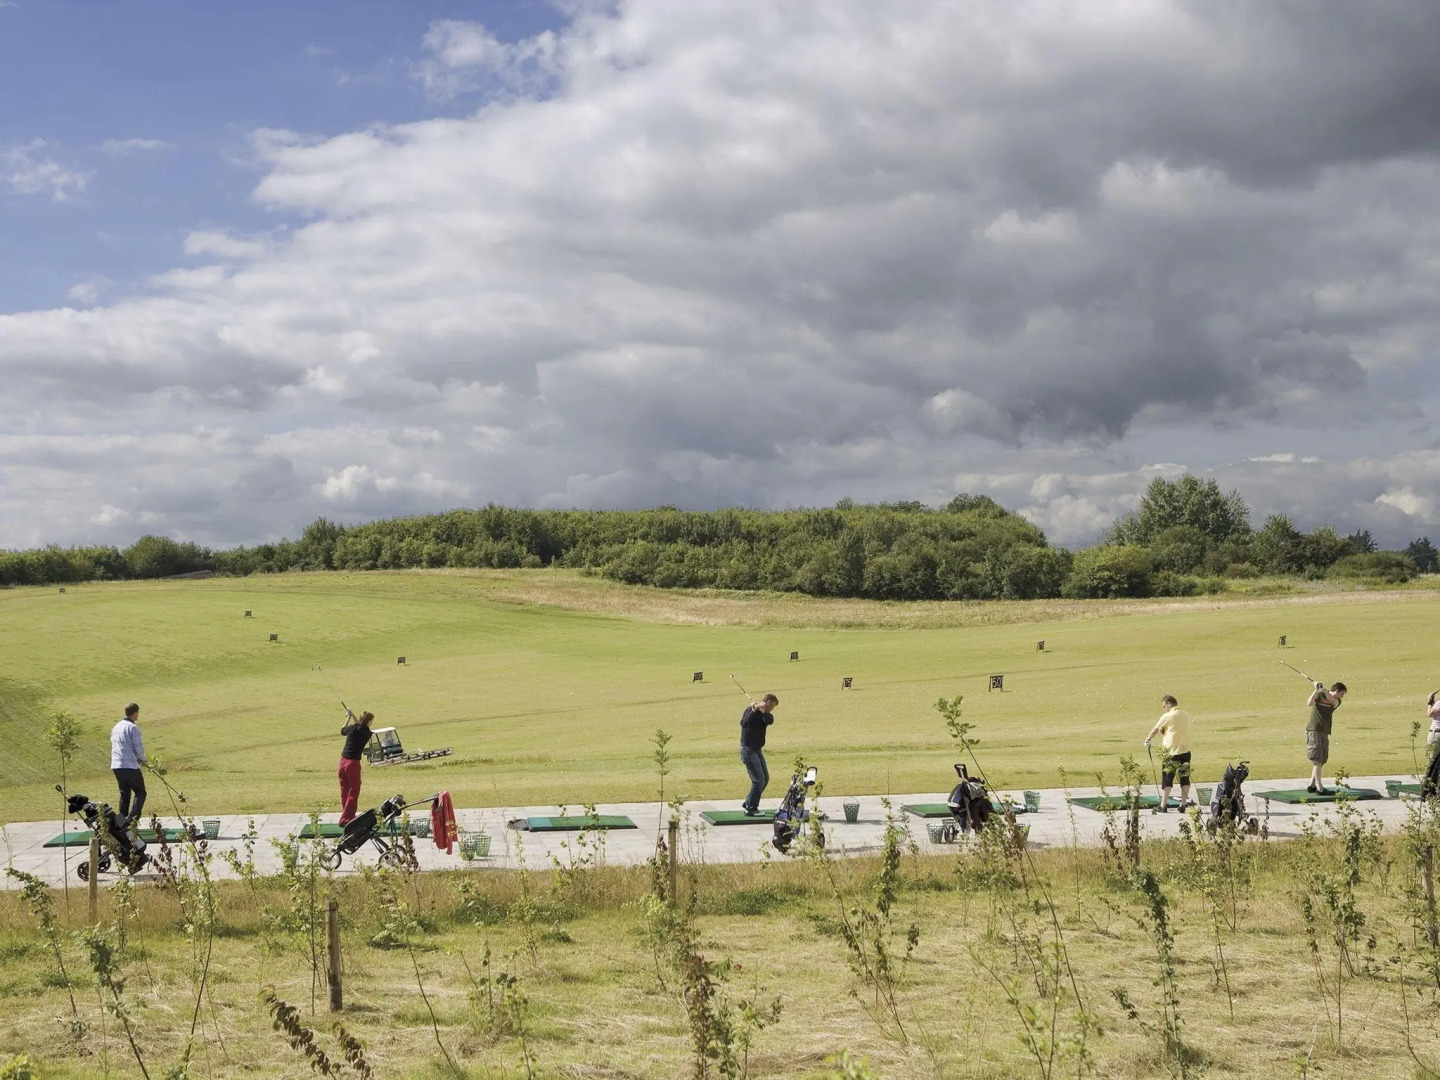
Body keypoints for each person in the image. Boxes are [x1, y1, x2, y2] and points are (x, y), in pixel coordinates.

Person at [1144, 695, 1192, 812]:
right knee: (1184, 778)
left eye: (1164, 706)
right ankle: (1183, 805)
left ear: (1169, 703)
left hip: (1171, 752)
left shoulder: (1168, 715)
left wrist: (1148, 739)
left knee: (1167, 779)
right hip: (1185, 751)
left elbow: (1155, 729)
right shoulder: (1185, 714)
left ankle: (1163, 805)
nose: (1164, 708)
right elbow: (1173, 729)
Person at [739, 693, 779, 817]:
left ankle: (748, 802)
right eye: (771, 706)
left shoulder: (766, 715)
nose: (772, 708)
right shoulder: (749, 711)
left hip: (757, 749)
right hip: (748, 750)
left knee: (765, 778)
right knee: (758, 780)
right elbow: (744, 724)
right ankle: (751, 808)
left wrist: (762, 711)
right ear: (766, 702)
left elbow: (770, 720)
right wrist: (753, 710)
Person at [110, 703, 148, 826]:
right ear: (135, 713)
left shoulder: (116, 727)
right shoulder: (133, 728)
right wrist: (144, 760)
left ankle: (121, 822)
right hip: (129, 766)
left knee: (124, 794)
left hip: (117, 766)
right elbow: (138, 748)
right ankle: (132, 820)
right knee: (140, 792)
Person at [1306, 681, 1347, 794]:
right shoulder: (1320, 695)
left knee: (1322, 759)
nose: (1342, 696)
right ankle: (1320, 788)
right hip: (1314, 729)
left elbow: (1333, 701)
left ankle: (1312, 785)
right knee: (1317, 760)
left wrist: (1323, 689)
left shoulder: (1337, 701)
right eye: (1342, 693)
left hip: (1325, 731)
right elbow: (1309, 703)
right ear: (1337, 691)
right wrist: (1316, 690)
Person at [338, 709, 373, 826]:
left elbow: (343, 730)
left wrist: (348, 717)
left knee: (345, 790)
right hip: (352, 764)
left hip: (342, 762)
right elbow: (361, 726)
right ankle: (346, 819)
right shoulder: (368, 733)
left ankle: (347, 815)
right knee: (354, 791)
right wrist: (352, 716)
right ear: (369, 722)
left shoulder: (352, 728)